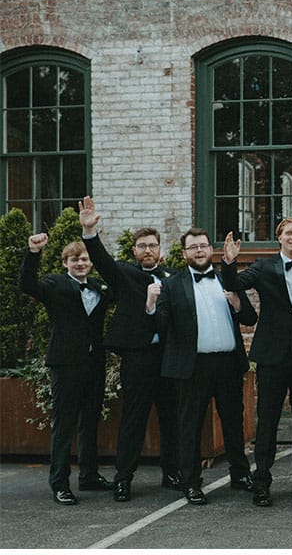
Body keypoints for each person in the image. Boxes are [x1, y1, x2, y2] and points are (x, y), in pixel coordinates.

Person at [221, 219, 292, 507]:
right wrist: (230, 261)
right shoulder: (263, 266)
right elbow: (233, 284)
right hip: (271, 355)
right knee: (268, 419)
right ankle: (262, 481)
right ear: (279, 237)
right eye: (288, 233)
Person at [78, 196, 181, 502]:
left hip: (169, 358)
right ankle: (124, 478)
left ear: (160, 250)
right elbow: (102, 261)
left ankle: (172, 472)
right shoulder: (126, 275)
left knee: (171, 417)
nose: (147, 250)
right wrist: (89, 233)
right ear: (135, 251)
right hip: (138, 357)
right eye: (142, 246)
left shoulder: (174, 278)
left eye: (152, 245)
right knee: (133, 418)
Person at [148, 227, 257, 506]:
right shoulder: (172, 285)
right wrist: (150, 305)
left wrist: (236, 303)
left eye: (203, 246)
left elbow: (249, 318)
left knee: (233, 423)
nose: (199, 251)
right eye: (193, 247)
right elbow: (161, 324)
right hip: (191, 366)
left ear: (212, 250)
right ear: (184, 253)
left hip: (228, 364)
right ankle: (191, 483)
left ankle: (240, 474)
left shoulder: (226, 279)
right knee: (190, 426)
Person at [19, 235, 115, 505]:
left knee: (91, 420)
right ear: (65, 263)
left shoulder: (99, 287)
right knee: (64, 424)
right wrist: (34, 252)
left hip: (95, 364)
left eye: (85, 259)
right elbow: (27, 284)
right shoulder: (54, 284)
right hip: (66, 364)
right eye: (75, 259)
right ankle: (59, 483)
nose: (81, 263)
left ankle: (89, 476)